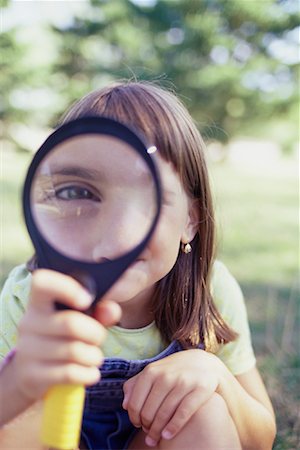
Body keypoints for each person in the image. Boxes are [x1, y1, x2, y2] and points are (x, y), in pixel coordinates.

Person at [0, 81, 276, 450]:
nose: (115, 235)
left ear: (190, 221)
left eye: (150, 197)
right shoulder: (32, 295)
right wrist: (21, 383)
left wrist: (214, 373)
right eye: (77, 192)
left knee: (204, 412)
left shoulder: (210, 290)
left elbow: (261, 438)